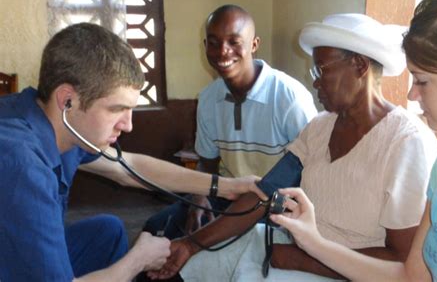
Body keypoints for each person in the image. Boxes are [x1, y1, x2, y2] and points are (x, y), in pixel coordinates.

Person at [150, 13, 437, 281]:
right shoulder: (320, 127)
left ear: (360, 66)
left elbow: (402, 262)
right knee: (184, 268)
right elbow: (265, 193)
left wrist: (305, 259)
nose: (314, 83)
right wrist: (191, 244)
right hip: (291, 246)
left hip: (344, 271)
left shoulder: (405, 143)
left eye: (321, 70)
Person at [0, 23, 266, 281]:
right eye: (116, 110)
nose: (127, 126)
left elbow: (127, 168)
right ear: (67, 99)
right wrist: (138, 259)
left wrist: (226, 187)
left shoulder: (46, 118)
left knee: (108, 231)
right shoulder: (21, 165)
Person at [271, 0, 437, 281]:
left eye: (422, 81)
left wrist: (305, 256)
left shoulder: (408, 142)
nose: (411, 95)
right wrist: (312, 243)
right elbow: (410, 275)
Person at [143, 4, 317, 239]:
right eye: (213, 43)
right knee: (157, 230)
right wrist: (199, 198)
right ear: (205, 46)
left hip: (276, 203)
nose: (223, 52)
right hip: (227, 194)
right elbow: (208, 164)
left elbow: (312, 170)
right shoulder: (208, 99)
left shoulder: (289, 97)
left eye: (234, 42)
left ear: (254, 44)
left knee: (223, 249)